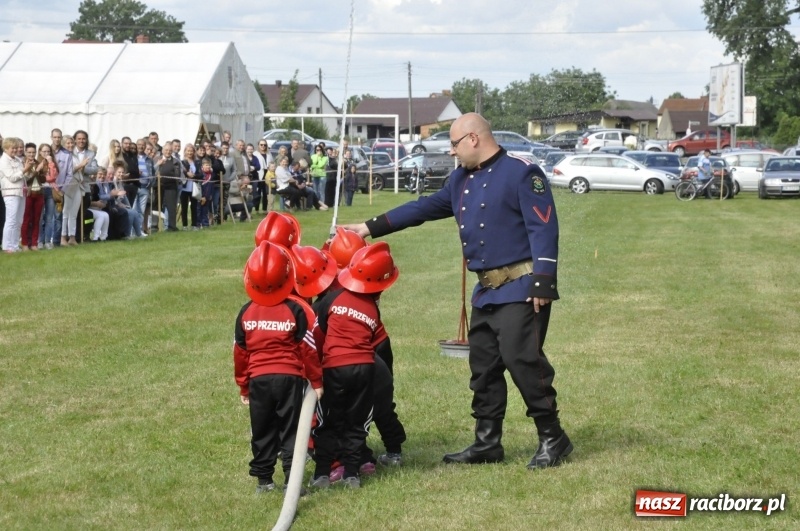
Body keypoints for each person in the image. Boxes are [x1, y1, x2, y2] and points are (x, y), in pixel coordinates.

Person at [342, 112, 572, 470]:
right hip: (487, 291)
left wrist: (544, 279)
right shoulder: (460, 180)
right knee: (483, 368)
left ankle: (552, 437)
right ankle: (487, 442)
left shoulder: (521, 171)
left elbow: (544, 226)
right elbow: (422, 209)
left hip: (523, 287)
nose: (451, 152)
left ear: (474, 139)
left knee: (523, 360)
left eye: (454, 144)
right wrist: (367, 228)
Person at [308, 242, 400, 490]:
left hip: (334, 369)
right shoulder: (372, 309)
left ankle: (321, 475)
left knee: (327, 422)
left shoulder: (332, 299)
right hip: (365, 370)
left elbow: (318, 334)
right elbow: (372, 343)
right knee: (356, 423)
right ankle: (352, 474)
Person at [234, 241, 323, 493]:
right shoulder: (294, 309)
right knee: (291, 430)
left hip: (258, 382)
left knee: (262, 429)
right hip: (289, 380)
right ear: (287, 276)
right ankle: (291, 482)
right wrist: (316, 382)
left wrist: (243, 386)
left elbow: (240, 353)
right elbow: (308, 349)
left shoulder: (246, 313)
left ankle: (264, 480)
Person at [20, 142, 50, 251]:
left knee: (37, 220)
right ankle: (24, 243)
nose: (31, 154)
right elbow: (26, 179)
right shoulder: (23, 164)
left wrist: (43, 171)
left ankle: (34, 243)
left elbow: (43, 180)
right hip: (28, 194)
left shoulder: (38, 162)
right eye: (29, 152)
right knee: (26, 219)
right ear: (25, 152)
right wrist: (36, 170)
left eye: (33, 152)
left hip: (39, 194)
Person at [0, 137, 25, 253]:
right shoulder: (3, 161)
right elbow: (12, 177)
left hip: (21, 192)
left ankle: (15, 244)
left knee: (19, 220)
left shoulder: (18, 160)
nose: (15, 150)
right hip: (10, 193)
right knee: (11, 220)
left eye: (16, 148)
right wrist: (25, 170)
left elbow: (23, 177)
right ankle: (7, 246)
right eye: (13, 148)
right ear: (5, 148)